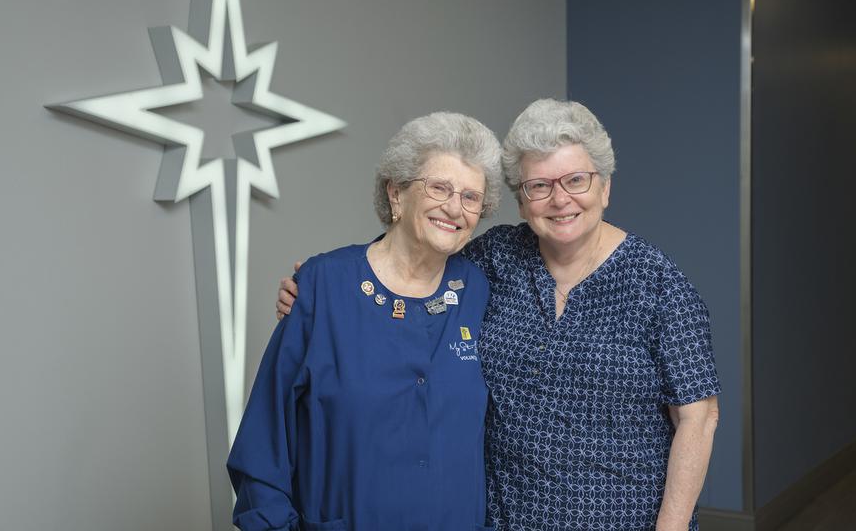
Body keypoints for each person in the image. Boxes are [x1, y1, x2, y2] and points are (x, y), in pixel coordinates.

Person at [278, 98, 721, 531]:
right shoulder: (496, 258)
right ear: (522, 200)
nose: (559, 199)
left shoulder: (658, 284)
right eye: (539, 186)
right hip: (501, 518)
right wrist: (326, 292)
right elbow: (417, 257)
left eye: (576, 180)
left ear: (605, 187)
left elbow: (698, 419)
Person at [229, 111, 503, 531]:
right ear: (396, 193)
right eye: (440, 187)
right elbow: (263, 448)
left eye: (471, 197)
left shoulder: (479, 291)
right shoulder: (323, 285)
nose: (455, 207)